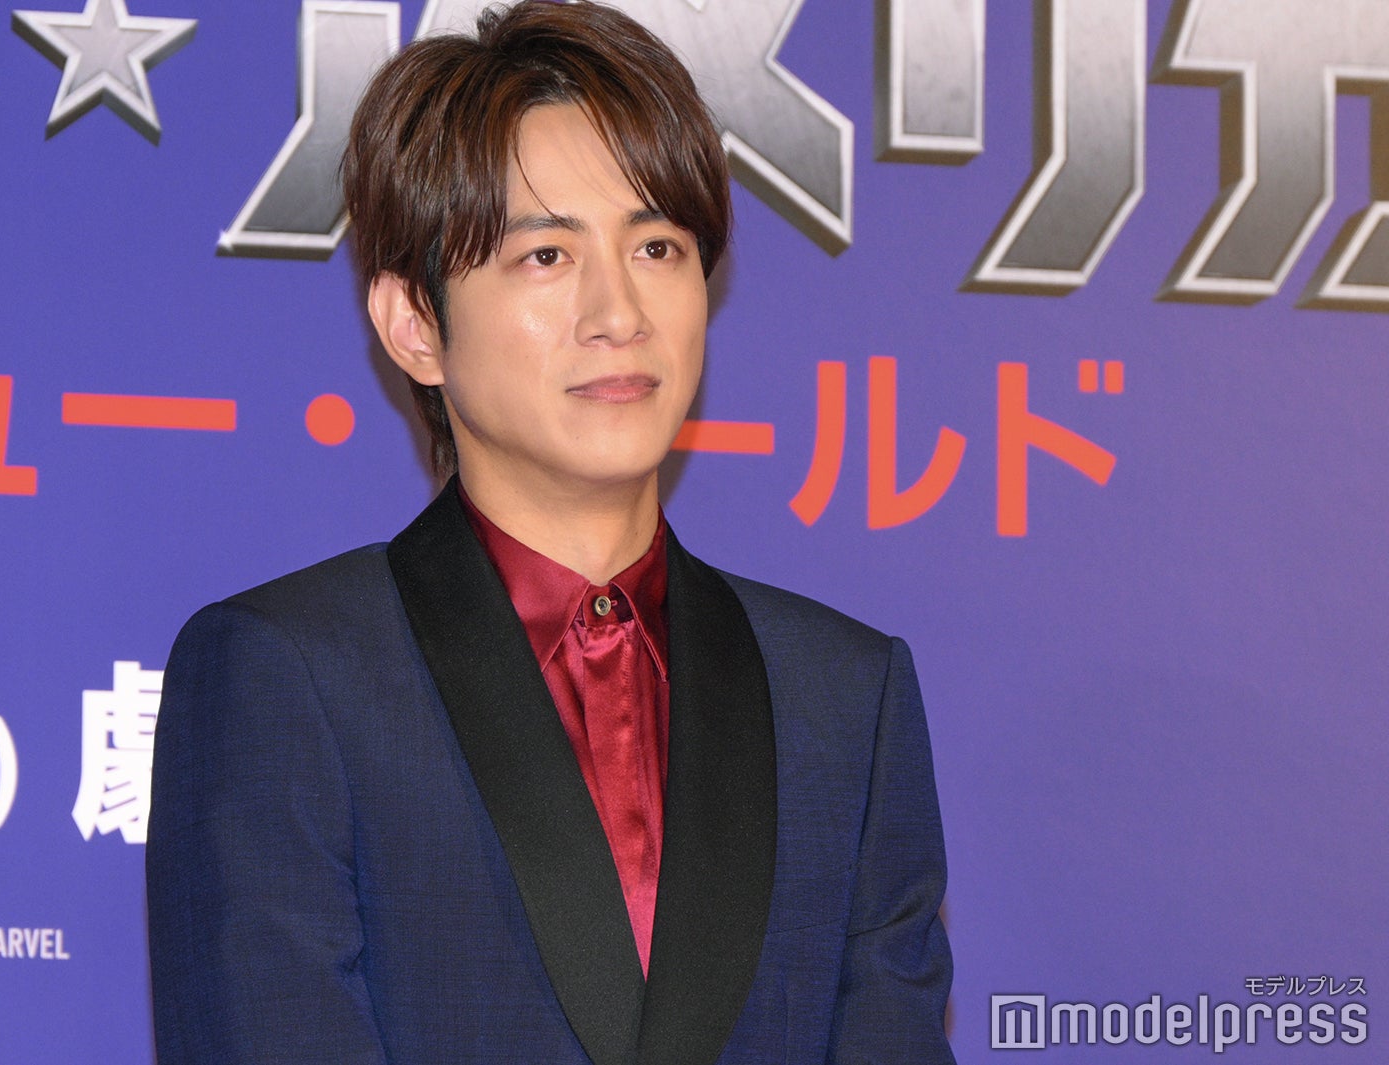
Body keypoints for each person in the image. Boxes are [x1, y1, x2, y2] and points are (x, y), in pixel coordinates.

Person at [145, 3, 954, 1063]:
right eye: (545, 256)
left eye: (657, 247)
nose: (619, 312)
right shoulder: (286, 676)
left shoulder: (846, 698)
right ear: (414, 324)